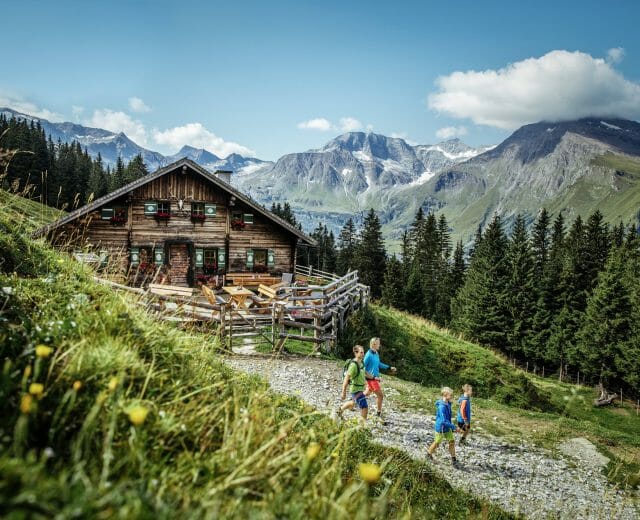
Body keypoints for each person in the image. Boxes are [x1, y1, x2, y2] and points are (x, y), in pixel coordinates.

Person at [363, 337, 396, 423]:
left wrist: (389, 367)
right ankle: (378, 413)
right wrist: (370, 377)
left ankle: (353, 400)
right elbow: (362, 367)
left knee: (367, 393)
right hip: (371, 379)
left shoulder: (376, 353)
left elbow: (379, 364)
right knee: (380, 396)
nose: (379, 345)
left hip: (375, 378)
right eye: (378, 343)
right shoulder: (368, 355)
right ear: (373, 344)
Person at [335, 345, 370, 425]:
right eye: (361, 352)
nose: (363, 354)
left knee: (353, 403)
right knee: (364, 407)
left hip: (360, 389)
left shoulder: (362, 362)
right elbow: (346, 379)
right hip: (355, 389)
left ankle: (339, 410)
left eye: (363, 352)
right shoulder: (353, 365)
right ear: (355, 353)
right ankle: (361, 426)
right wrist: (343, 392)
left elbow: (365, 372)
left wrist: (374, 377)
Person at [427, 387, 460, 466]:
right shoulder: (441, 407)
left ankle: (453, 459)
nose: (452, 396)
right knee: (437, 442)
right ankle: (428, 454)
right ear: (445, 395)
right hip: (441, 428)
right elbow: (443, 421)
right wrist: (454, 427)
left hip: (447, 427)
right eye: (451, 395)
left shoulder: (447, 403)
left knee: (451, 441)